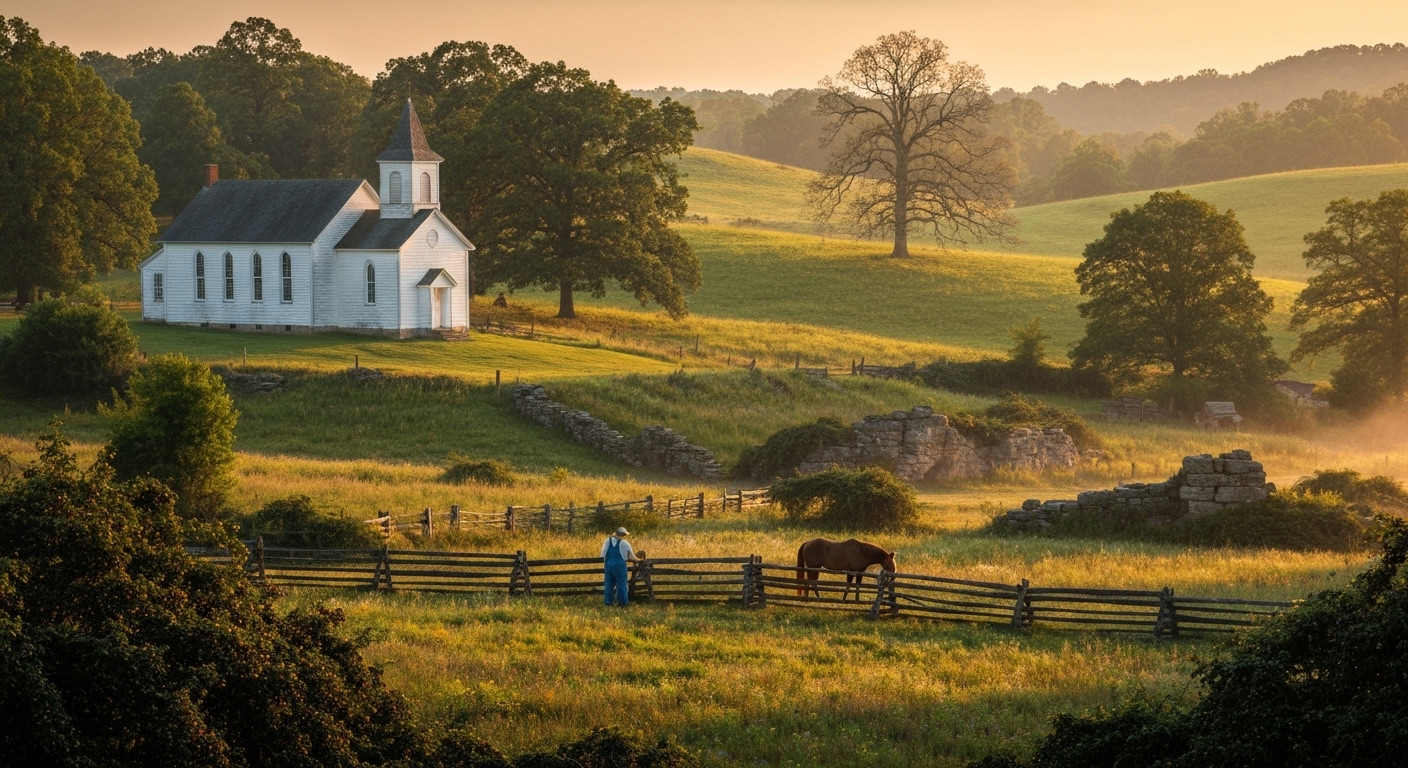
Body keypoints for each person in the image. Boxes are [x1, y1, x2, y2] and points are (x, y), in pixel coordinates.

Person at [601, 526, 640, 606]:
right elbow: (631, 557)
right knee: (622, 584)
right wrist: (640, 560)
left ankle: (608, 603)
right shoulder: (624, 543)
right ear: (623, 534)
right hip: (620, 566)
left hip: (608, 565)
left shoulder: (607, 541)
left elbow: (602, 555)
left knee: (609, 585)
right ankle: (622, 603)